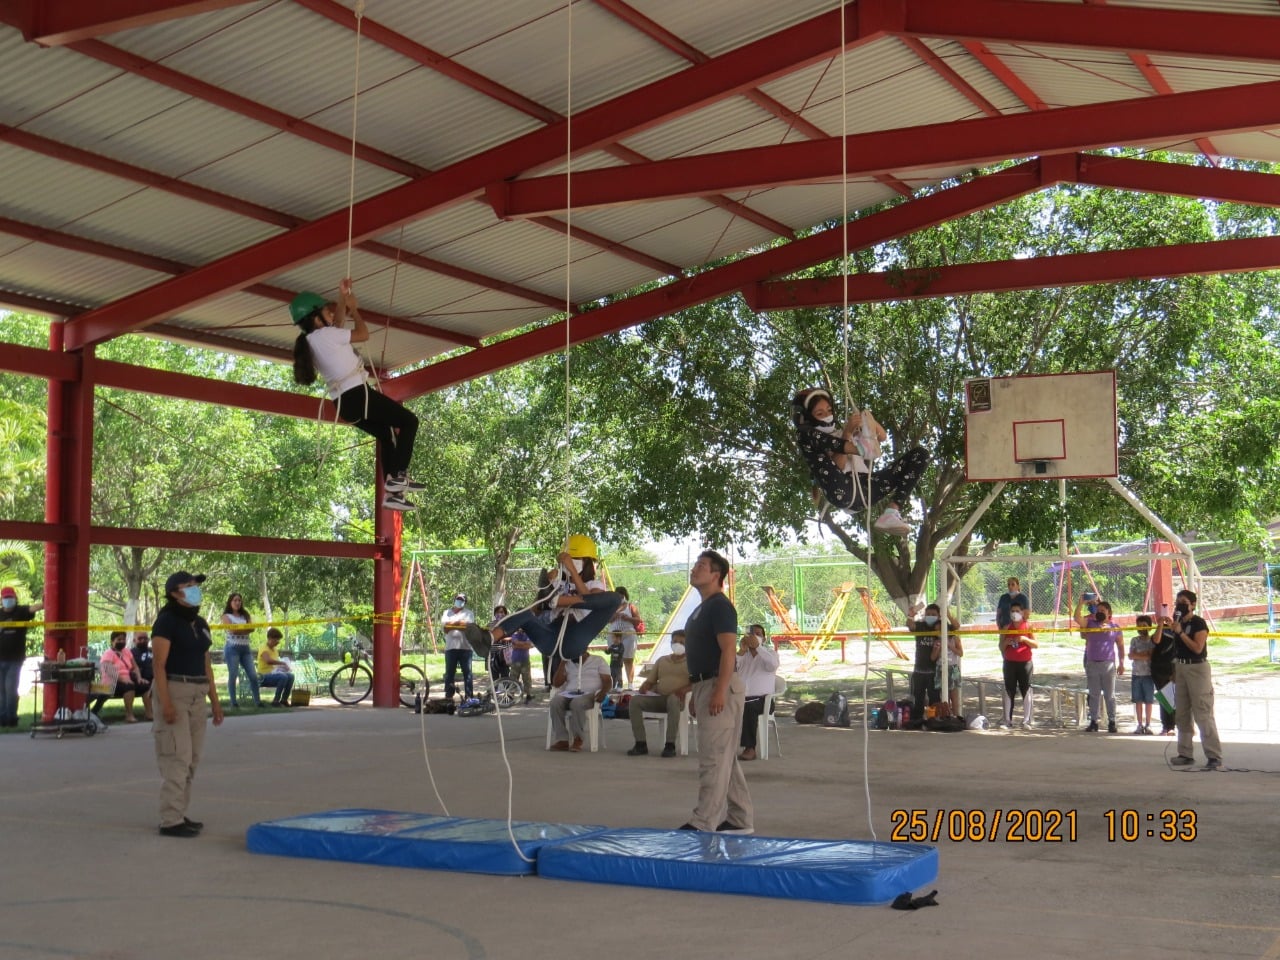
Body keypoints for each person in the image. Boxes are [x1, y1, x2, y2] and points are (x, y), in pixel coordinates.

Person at [290, 280, 423, 512]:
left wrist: (343, 300)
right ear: (315, 318)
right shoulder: (326, 336)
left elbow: (337, 324)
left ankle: (393, 492)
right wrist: (355, 310)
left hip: (344, 403)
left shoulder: (315, 341)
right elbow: (362, 334)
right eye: (325, 312)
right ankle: (398, 476)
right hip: (357, 395)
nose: (329, 314)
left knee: (386, 434)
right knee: (409, 421)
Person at [679, 550, 752, 834]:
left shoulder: (720, 606)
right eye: (695, 564)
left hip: (718, 684)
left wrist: (718, 691)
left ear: (716, 576)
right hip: (704, 684)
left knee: (713, 759)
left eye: (702, 566)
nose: (695, 569)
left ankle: (703, 821)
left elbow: (727, 652)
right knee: (724, 758)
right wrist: (696, 690)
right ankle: (740, 819)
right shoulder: (701, 608)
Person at [791, 387, 928, 536]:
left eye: (829, 411)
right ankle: (862, 449)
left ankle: (891, 512)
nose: (827, 416)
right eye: (820, 413)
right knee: (806, 437)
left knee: (920, 455)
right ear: (807, 417)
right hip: (842, 490)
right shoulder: (811, 439)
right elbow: (838, 465)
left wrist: (869, 421)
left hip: (865, 488)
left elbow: (881, 437)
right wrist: (847, 434)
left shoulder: (839, 432)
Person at [151, 571, 223, 837]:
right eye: (188, 586)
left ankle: (180, 812)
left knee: (192, 758)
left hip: (197, 692)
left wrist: (214, 701)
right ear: (174, 593)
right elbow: (158, 664)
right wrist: (166, 703)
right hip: (175, 688)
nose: (195, 590)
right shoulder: (166, 622)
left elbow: (206, 664)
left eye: (196, 585)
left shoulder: (201, 623)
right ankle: (170, 820)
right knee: (176, 757)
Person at [491, 536, 620, 661]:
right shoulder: (557, 583)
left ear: (586, 562)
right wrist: (546, 587)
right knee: (522, 612)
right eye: (567, 560)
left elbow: (592, 600)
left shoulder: (594, 584)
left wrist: (572, 571)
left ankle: (557, 600)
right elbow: (535, 610)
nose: (569, 561)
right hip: (551, 637)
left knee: (614, 598)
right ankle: (489, 639)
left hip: (577, 635)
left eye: (574, 559)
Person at [1161, 590, 1223, 770]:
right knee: (1181, 713)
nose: (1179, 604)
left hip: (1197, 668)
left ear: (1193, 605)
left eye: (1184, 602)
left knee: (1202, 713)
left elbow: (1197, 648)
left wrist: (1181, 633)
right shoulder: (1177, 623)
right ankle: (1185, 753)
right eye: (1177, 601)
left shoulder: (1199, 623)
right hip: (1180, 668)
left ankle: (1214, 756)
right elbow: (1174, 649)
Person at [626, 629, 691, 758]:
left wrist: (684, 690)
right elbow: (650, 681)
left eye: (682, 642)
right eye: (675, 641)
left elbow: (696, 683)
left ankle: (670, 745)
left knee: (673, 699)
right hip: (659, 698)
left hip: (679, 700)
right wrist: (645, 687)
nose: (678, 644)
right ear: (671, 643)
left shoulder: (692, 662)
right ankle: (640, 743)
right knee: (635, 701)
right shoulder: (662, 660)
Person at [1075, 597, 1125, 733]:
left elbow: (1120, 646)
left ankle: (1112, 721)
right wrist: (1081, 604)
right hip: (1092, 663)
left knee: (1110, 695)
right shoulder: (1090, 623)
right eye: (1098, 610)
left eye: (1102, 610)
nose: (1099, 612)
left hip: (1108, 664)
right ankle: (1093, 722)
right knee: (1094, 694)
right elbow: (1077, 618)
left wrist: (1121, 663)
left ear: (1109, 613)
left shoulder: (1115, 627)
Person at [548, 649, 612, 752]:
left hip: (589, 694)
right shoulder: (568, 663)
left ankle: (578, 738)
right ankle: (562, 740)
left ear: (584, 650)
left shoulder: (598, 660)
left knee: (577, 703)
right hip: (569, 693)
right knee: (555, 702)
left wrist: (603, 692)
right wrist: (563, 663)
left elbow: (608, 681)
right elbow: (556, 683)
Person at [0, 585, 42, 728]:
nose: (8, 600)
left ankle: (11, 718)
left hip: (15, 659)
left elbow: (34, 608)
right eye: (5, 598)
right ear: (2, 599)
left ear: (15, 598)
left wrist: (44, 601)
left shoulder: (21, 611)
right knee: (1, 692)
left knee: (10, 689)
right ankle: (2, 718)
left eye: (10, 597)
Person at [737, 623, 779, 762]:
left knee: (748, 706)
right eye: (751, 634)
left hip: (763, 701)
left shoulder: (770, 654)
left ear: (764, 639)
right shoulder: (743, 656)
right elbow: (731, 668)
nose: (754, 637)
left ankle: (750, 748)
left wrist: (758, 647)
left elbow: (772, 664)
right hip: (741, 698)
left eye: (758, 634)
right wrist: (741, 651)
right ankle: (721, 746)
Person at [907, 604, 951, 718]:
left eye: (933, 615)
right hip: (919, 670)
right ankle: (917, 720)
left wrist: (946, 617)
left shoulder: (940, 627)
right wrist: (911, 616)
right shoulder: (921, 625)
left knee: (935, 699)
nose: (930, 616)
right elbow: (911, 626)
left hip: (933, 671)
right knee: (918, 698)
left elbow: (955, 627)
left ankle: (934, 720)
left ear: (938, 616)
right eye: (928, 614)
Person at [998, 600, 1037, 728]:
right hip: (1009, 663)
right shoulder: (1006, 628)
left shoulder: (1028, 626)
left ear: (1023, 613)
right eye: (1012, 611)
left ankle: (1026, 720)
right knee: (1009, 690)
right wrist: (1006, 643)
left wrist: (1025, 639)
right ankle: (1008, 720)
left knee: (1026, 690)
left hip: (1025, 662)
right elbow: (1001, 647)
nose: (1015, 614)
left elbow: (1036, 644)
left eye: (1017, 611)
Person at [89, 631, 143, 722]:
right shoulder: (108, 654)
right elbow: (108, 670)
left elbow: (135, 667)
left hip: (128, 680)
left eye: (123, 639)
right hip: (112, 683)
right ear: (112, 641)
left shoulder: (127, 652)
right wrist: (123, 679)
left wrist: (139, 678)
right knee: (129, 687)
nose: (122, 641)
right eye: (119, 639)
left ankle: (150, 713)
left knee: (145, 686)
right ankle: (129, 715)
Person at [221, 593, 262, 709]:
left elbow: (252, 628)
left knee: (253, 676)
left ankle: (258, 702)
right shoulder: (226, 616)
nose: (237, 602)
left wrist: (240, 629)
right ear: (230, 602)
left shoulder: (245, 615)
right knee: (233, 675)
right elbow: (232, 631)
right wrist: (245, 629)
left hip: (245, 649)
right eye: (235, 600)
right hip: (232, 648)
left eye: (239, 600)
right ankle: (233, 702)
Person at [928, 607, 964, 716]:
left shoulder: (954, 638)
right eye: (937, 630)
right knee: (944, 695)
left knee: (954, 695)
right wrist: (937, 649)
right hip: (940, 668)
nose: (939, 632)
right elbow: (933, 658)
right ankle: (946, 715)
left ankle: (957, 715)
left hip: (952, 668)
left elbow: (961, 653)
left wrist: (950, 646)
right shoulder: (936, 642)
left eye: (941, 630)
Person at [441, 593, 476, 701]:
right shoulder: (446, 612)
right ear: (454, 600)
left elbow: (467, 627)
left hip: (465, 648)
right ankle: (449, 695)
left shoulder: (469, 613)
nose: (459, 601)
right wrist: (458, 623)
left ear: (465, 602)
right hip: (450, 648)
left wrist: (452, 624)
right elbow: (445, 628)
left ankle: (469, 696)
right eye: (458, 599)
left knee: (467, 673)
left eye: (462, 600)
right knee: (449, 673)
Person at [1150, 608, 1178, 735]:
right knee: (1164, 698)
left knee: (1172, 697)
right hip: (1158, 668)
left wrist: (1172, 624)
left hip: (1172, 667)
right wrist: (1160, 625)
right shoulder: (1159, 630)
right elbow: (1156, 640)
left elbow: (1179, 639)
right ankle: (1165, 726)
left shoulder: (1177, 631)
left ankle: (1172, 725)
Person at [608, 587, 641, 686]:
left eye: (622, 595)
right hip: (614, 636)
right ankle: (618, 683)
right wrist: (615, 615)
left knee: (628, 659)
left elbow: (638, 620)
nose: (621, 597)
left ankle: (630, 684)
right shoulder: (610, 607)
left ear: (625, 596)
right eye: (618, 595)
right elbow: (607, 620)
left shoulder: (631, 606)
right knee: (615, 660)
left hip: (628, 634)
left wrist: (628, 618)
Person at [1128, 615, 1156, 734]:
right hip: (1136, 674)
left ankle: (1148, 724)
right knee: (1138, 700)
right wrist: (1143, 654)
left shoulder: (1153, 640)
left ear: (1149, 627)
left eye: (1144, 625)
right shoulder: (1134, 640)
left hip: (1149, 674)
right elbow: (1131, 655)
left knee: (1149, 701)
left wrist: (1138, 655)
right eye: (1139, 625)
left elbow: (1151, 655)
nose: (1141, 628)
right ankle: (1139, 724)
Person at [256, 628, 295, 707]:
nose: (278, 642)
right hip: (263, 676)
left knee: (290, 676)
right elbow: (268, 661)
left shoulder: (275, 650)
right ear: (270, 638)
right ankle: (276, 701)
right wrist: (282, 663)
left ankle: (284, 700)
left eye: (278, 640)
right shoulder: (263, 648)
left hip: (274, 673)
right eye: (276, 640)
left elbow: (276, 664)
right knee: (283, 677)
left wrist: (284, 668)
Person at [507, 627, 535, 705]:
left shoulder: (528, 635)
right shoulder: (514, 635)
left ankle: (528, 695)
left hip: (525, 660)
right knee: (513, 677)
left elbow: (528, 645)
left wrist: (518, 645)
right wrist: (524, 644)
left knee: (527, 678)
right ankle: (510, 695)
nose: (520, 629)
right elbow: (515, 642)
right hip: (515, 660)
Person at [132, 632, 155, 721]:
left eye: (145, 638)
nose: (143, 640)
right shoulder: (131, 653)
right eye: (140, 638)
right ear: (134, 640)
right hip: (140, 680)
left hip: (156, 679)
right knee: (147, 686)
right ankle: (149, 713)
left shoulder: (153, 651)